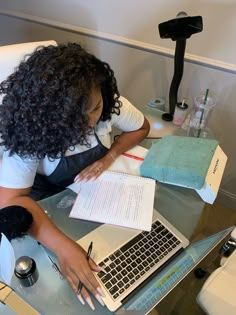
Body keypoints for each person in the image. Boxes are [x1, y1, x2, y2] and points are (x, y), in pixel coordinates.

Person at [0, 42, 150, 309]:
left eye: (94, 107)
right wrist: (63, 247)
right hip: (45, 210)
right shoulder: (31, 135)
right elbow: (10, 198)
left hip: (95, 199)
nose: (91, 121)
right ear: (49, 117)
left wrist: (109, 156)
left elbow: (141, 127)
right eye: (77, 118)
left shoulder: (106, 107)